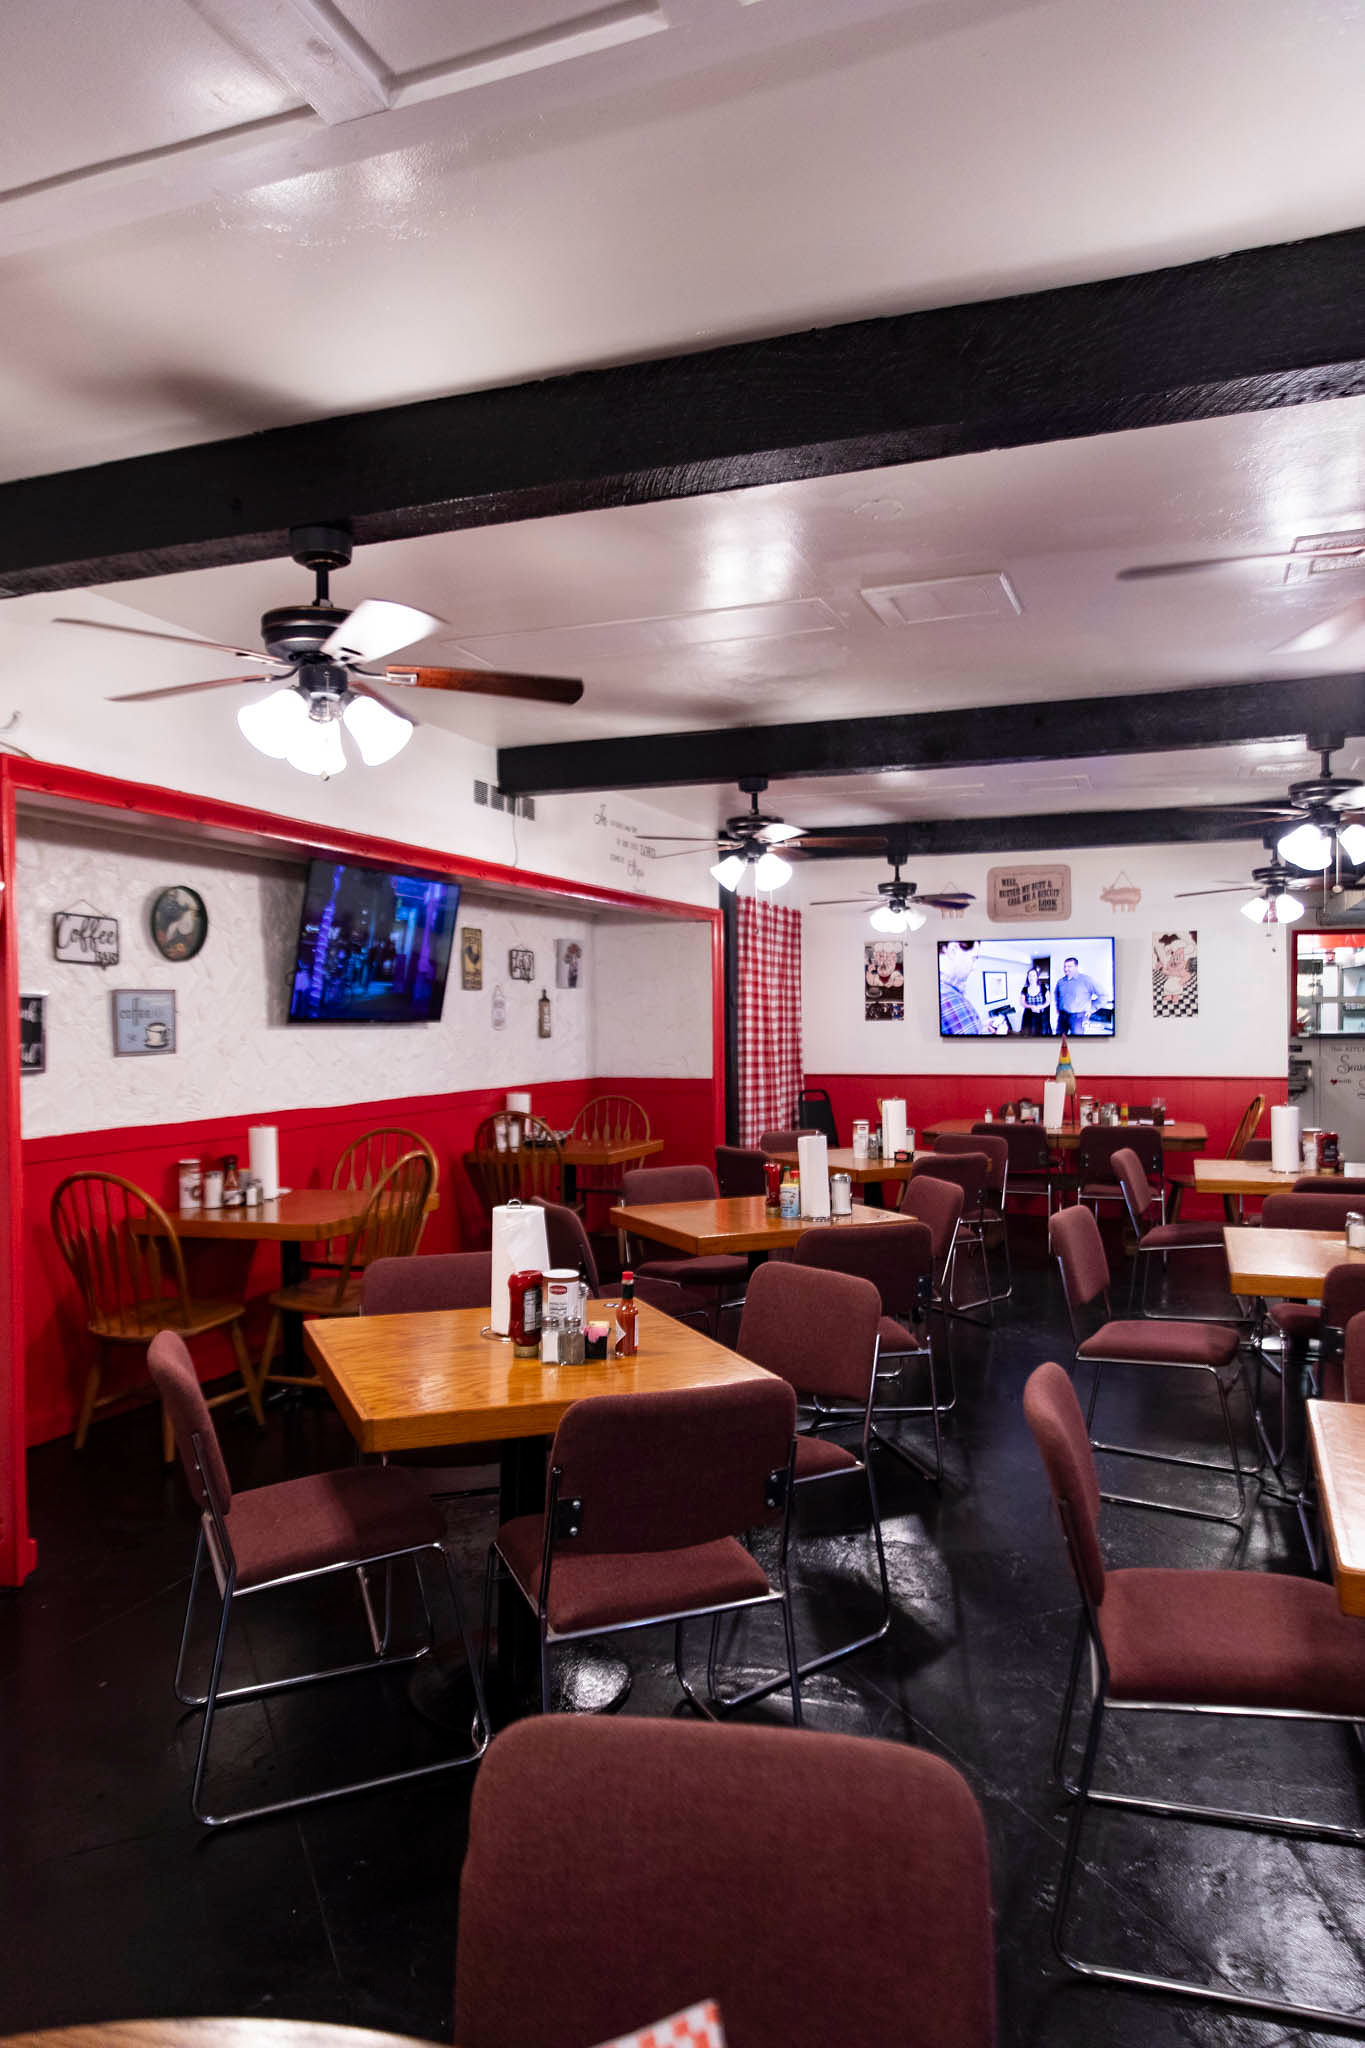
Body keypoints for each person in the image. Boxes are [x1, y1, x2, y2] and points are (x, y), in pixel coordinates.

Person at [939, 940, 983, 1035]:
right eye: (974, 959)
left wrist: (980, 1027)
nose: (974, 967)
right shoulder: (950, 998)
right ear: (953, 950)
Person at [1054, 955, 1105, 1034]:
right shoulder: (1060, 982)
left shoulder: (1086, 980)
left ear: (1076, 967)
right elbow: (1056, 994)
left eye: (1069, 966)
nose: (1066, 969)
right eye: (1065, 966)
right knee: (1059, 1039)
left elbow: (1103, 995)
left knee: (1077, 1040)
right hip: (1062, 1016)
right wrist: (1058, 1007)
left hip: (1078, 1018)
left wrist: (1092, 1009)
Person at [1019, 964, 1050, 1036]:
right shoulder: (1024, 989)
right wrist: (1031, 1007)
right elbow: (1022, 1003)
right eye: (1030, 975)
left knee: (1042, 1035)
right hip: (1029, 1017)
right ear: (1027, 977)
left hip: (1042, 1015)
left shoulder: (1044, 987)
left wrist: (1040, 1007)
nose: (1031, 977)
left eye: (1034, 975)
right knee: (1029, 1035)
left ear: (1037, 977)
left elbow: (1048, 1001)